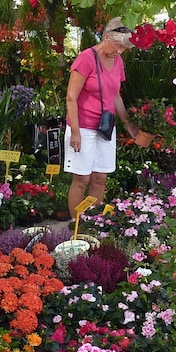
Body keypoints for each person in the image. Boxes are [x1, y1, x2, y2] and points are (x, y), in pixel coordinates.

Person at [64, 17, 138, 218]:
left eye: (123, 49)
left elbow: (115, 96)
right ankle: (75, 226)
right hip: (84, 126)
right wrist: (76, 132)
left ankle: (93, 222)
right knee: (82, 179)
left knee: (100, 178)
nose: (120, 52)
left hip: (105, 127)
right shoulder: (86, 59)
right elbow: (71, 97)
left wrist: (127, 125)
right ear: (106, 37)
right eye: (117, 46)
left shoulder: (118, 61)